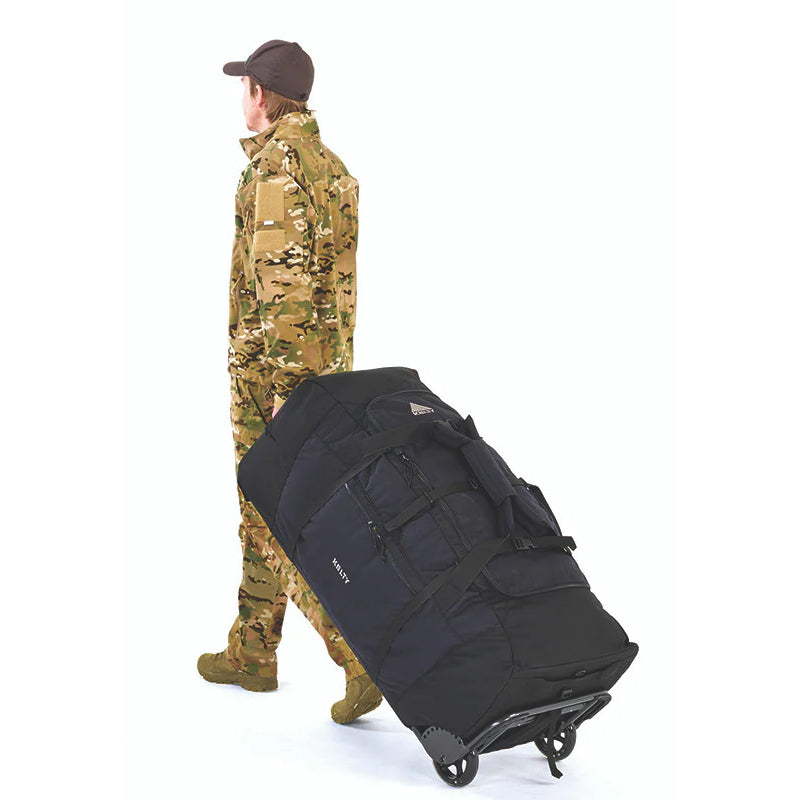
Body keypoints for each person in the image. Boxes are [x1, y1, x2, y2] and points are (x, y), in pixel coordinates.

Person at [197, 39, 381, 724]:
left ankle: (360, 657)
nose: (241, 97)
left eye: (244, 85)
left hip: (276, 379)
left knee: (280, 519)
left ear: (262, 93)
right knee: (264, 507)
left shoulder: (275, 170)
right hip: (325, 375)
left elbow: (286, 296)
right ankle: (253, 651)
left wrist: (284, 397)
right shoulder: (330, 167)